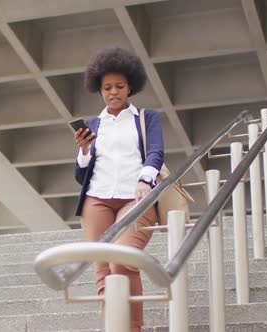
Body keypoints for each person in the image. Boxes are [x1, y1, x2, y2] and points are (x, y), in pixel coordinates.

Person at [73, 47, 164, 331]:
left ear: (130, 87)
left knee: (123, 262)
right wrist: (84, 150)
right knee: (102, 269)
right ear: (99, 90)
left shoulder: (146, 118)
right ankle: (113, 326)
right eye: (107, 88)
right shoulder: (93, 124)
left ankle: (133, 327)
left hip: (134, 198)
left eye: (119, 86)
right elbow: (80, 175)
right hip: (96, 200)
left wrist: (144, 179)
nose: (113, 92)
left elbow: (156, 152)